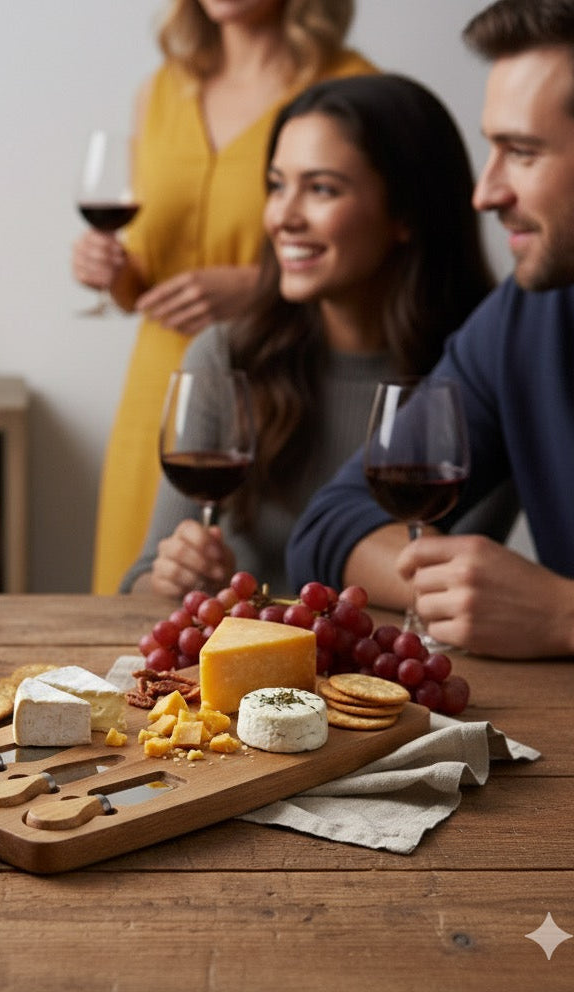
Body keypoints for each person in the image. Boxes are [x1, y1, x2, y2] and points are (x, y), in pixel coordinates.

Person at [122, 72, 517, 598]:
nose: (283, 216)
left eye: (322, 189)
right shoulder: (226, 356)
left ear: (406, 212)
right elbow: (142, 583)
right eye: (277, 185)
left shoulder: (484, 375)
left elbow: (462, 595)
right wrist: (177, 578)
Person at [287, 0, 574, 659]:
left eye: (522, 152)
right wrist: (456, 583)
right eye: (491, 148)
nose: (486, 191)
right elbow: (329, 525)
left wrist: (563, 616)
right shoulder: (520, 320)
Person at [72, 0, 375, 594]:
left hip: (272, 382)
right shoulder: (163, 89)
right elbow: (149, 268)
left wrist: (261, 288)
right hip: (159, 390)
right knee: (141, 594)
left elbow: (373, 267)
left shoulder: (352, 86)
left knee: (252, 602)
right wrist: (116, 271)